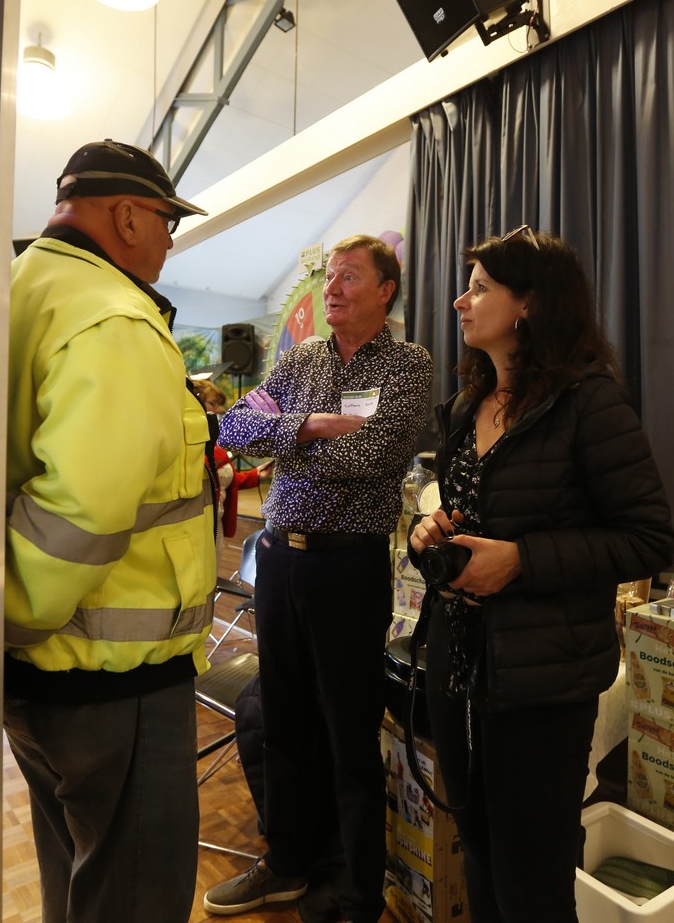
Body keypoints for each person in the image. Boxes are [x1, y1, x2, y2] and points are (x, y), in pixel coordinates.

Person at [408, 226, 674, 923]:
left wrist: (522, 561)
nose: (460, 302)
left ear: (528, 303)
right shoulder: (467, 406)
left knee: (532, 878)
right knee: (479, 852)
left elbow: (649, 539)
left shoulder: (589, 403)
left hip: (543, 682)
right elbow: (463, 517)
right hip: (458, 667)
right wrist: (427, 535)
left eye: (479, 288)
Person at [2, 139, 217, 923]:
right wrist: (17, 615)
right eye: (166, 222)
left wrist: (4, 632)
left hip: (43, 672)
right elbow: (83, 512)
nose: (168, 240)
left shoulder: (25, 287)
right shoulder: (114, 318)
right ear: (127, 215)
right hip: (111, 672)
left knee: (75, 876)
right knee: (134, 896)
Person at [206, 235, 432, 923]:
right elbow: (234, 428)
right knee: (282, 720)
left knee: (348, 731)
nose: (330, 288)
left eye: (348, 277)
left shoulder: (407, 364)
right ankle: (287, 863)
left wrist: (287, 445)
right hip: (279, 560)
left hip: (347, 567)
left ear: (385, 290)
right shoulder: (301, 359)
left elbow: (373, 457)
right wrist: (308, 428)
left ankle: (357, 893)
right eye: (329, 276)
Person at [191, 378, 273, 552]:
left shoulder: (216, 445)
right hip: (195, 526)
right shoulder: (189, 446)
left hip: (216, 524)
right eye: (212, 403)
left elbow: (225, 480)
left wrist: (256, 475)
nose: (217, 410)